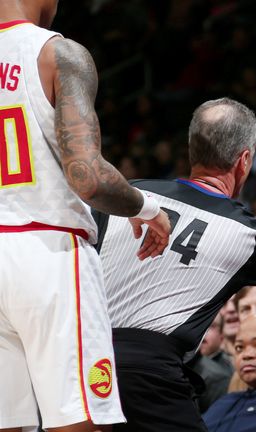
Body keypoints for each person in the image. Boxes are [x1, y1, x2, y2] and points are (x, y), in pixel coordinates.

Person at [0, 2, 171, 431]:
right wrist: (147, 207)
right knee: (81, 420)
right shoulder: (55, 52)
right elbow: (88, 177)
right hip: (48, 249)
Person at [96, 98, 256, 431]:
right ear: (245, 160)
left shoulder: (129, 196)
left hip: (85, 359)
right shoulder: (249, 234)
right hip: (153, 374)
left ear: (192, 148)